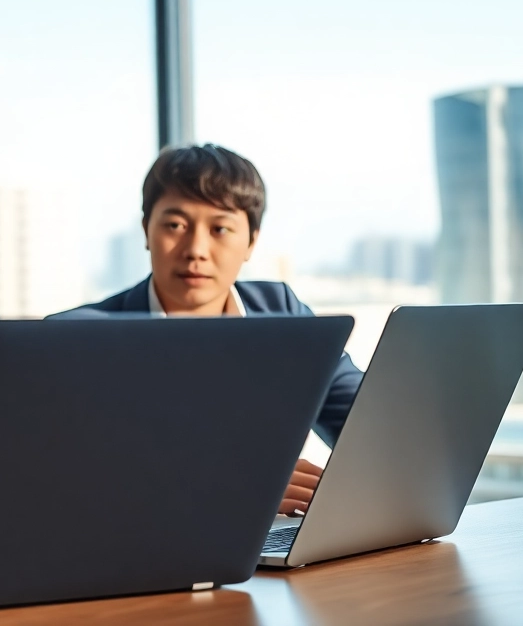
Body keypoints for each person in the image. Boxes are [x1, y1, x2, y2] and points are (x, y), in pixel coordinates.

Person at [52, 144, 364, 515]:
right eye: (175, 225)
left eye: (220, 228)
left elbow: (369, 426)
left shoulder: (281, 312)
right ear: (146, 231)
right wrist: (229, 489)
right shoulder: (79, 336)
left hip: (273, 547)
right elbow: (62, 476)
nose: (196, 249)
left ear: (251, 242)